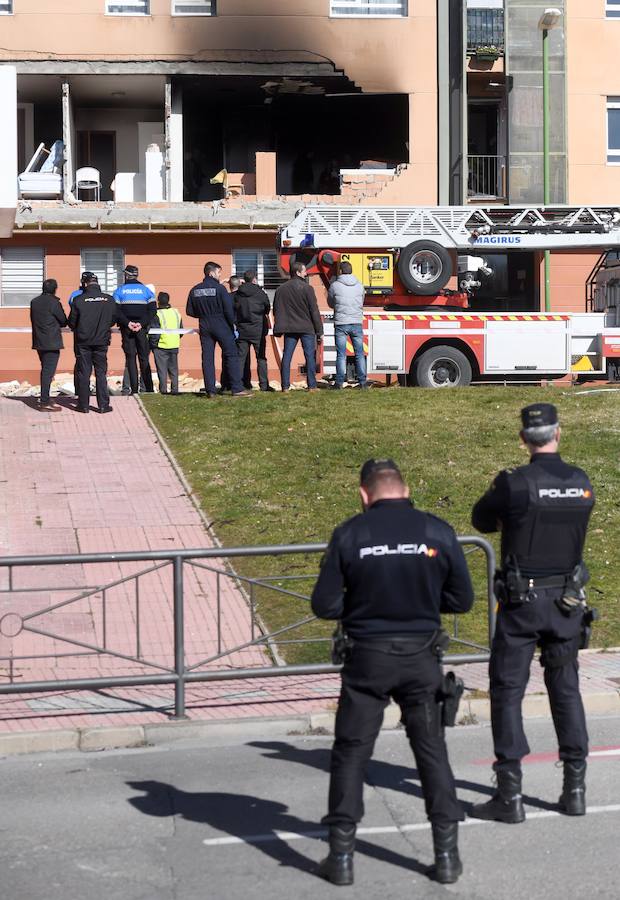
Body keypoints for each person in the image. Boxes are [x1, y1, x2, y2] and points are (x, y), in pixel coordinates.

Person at [311, 459, 474, 886]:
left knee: (351, 752)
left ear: (364, 494)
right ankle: (447, 857)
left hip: (367, 660)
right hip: (422, 660)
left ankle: (342, 858)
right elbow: (461, 600)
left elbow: (324, 605)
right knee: (431, 751)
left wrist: (363, 608)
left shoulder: (350, 534)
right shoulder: (436, 531)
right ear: (406, 488)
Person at [470, 403, 595, 823]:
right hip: (566, 603)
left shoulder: (515, 483)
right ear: (559, 433)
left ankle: (510, 794)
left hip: (522, 605)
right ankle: (574, 789)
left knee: (507, 692)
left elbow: (481, 519)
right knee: (566, 691)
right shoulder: (581, 482)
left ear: (523, 438)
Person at [186, 261, 250, 398]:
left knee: (207, 358)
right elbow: (228, 310)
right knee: (231, 355)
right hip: (221, 324)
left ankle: (210, 390)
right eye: (219, 272)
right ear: (211, 273)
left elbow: (189, 311)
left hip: (204, 324)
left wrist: (203, 314)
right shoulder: (220, 289)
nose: (220, 275)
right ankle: (237, 388)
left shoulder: (195, 289)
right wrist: (232, 326)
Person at [68, 273, 118, 413]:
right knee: (101, 373)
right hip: (102, 341)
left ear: (85, 284)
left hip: (83, 341)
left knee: (84, 373)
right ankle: (103, 405)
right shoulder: (109, 299)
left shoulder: (78, 300)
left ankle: (83, 405)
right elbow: (113, 319)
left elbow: (72, 322)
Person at [273, 261, 323, 392]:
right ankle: (312, 386)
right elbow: (314, 310)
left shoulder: (281, 289)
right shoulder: (307, 288)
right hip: (307, 328)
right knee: (309, 357)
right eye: (304, 270)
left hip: (290, 328)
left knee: (287, 356)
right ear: (298, 272)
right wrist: (319, 330)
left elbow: (276, 309)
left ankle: (285, 386)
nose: (306, 273)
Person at [113, 264, 156, 395]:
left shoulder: (119, 291)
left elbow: (116, 311)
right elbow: (153, 310)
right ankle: (148, 389)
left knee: (131, 359)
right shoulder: (146, 291)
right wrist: (141, 324)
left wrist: (128, 323)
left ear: (126, 275)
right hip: (141, 329)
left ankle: (134, 390)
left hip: (127, 330)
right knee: (144, 358)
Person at [30, 278, 68, 412]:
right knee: (48, 372)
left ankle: (45, 397)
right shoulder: (54, 303)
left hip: (39, 341)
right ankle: (44, 401)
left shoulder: (34, 302)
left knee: (45, 370)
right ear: (54, 289)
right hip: (51, 342)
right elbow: (63, 321)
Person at [327, 261, 367, 389]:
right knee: (359, 353)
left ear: (340, 271)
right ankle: (362, 382)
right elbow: (362, 301)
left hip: (341, 323)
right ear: (351, 271)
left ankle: (339, 382)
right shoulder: (360, 285)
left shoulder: (335, 286)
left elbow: (330, 303)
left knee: (341, 354)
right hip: (356, 322)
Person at [234, 270, 274, 392]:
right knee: (261, 358)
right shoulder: (260, 293)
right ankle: (264, 385)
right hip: (258, 329)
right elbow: (267, 308)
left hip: (242, 330)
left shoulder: (238, 294)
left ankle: (239, 385)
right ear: (254, 279)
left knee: (241, 358)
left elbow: (234, 309)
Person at [150, 292, 183, 395]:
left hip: (161, 346)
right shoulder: (176, 312)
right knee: (173, 370)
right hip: (174, 344)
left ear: (158, 301)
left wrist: (153, 344)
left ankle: (163, 391)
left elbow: (155, 332)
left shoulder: (157, 314)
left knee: (162, 370)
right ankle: (175, 390)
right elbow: (181, 330)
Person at [220, 275, 242, 393]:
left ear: (229, 285)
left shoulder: (226, 297)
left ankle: (225, 383)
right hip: (240, 329)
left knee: (226, 358)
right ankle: (241, 382)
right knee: (241, 358)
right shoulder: (242, 297)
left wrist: (222, 281)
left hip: (228, 329)